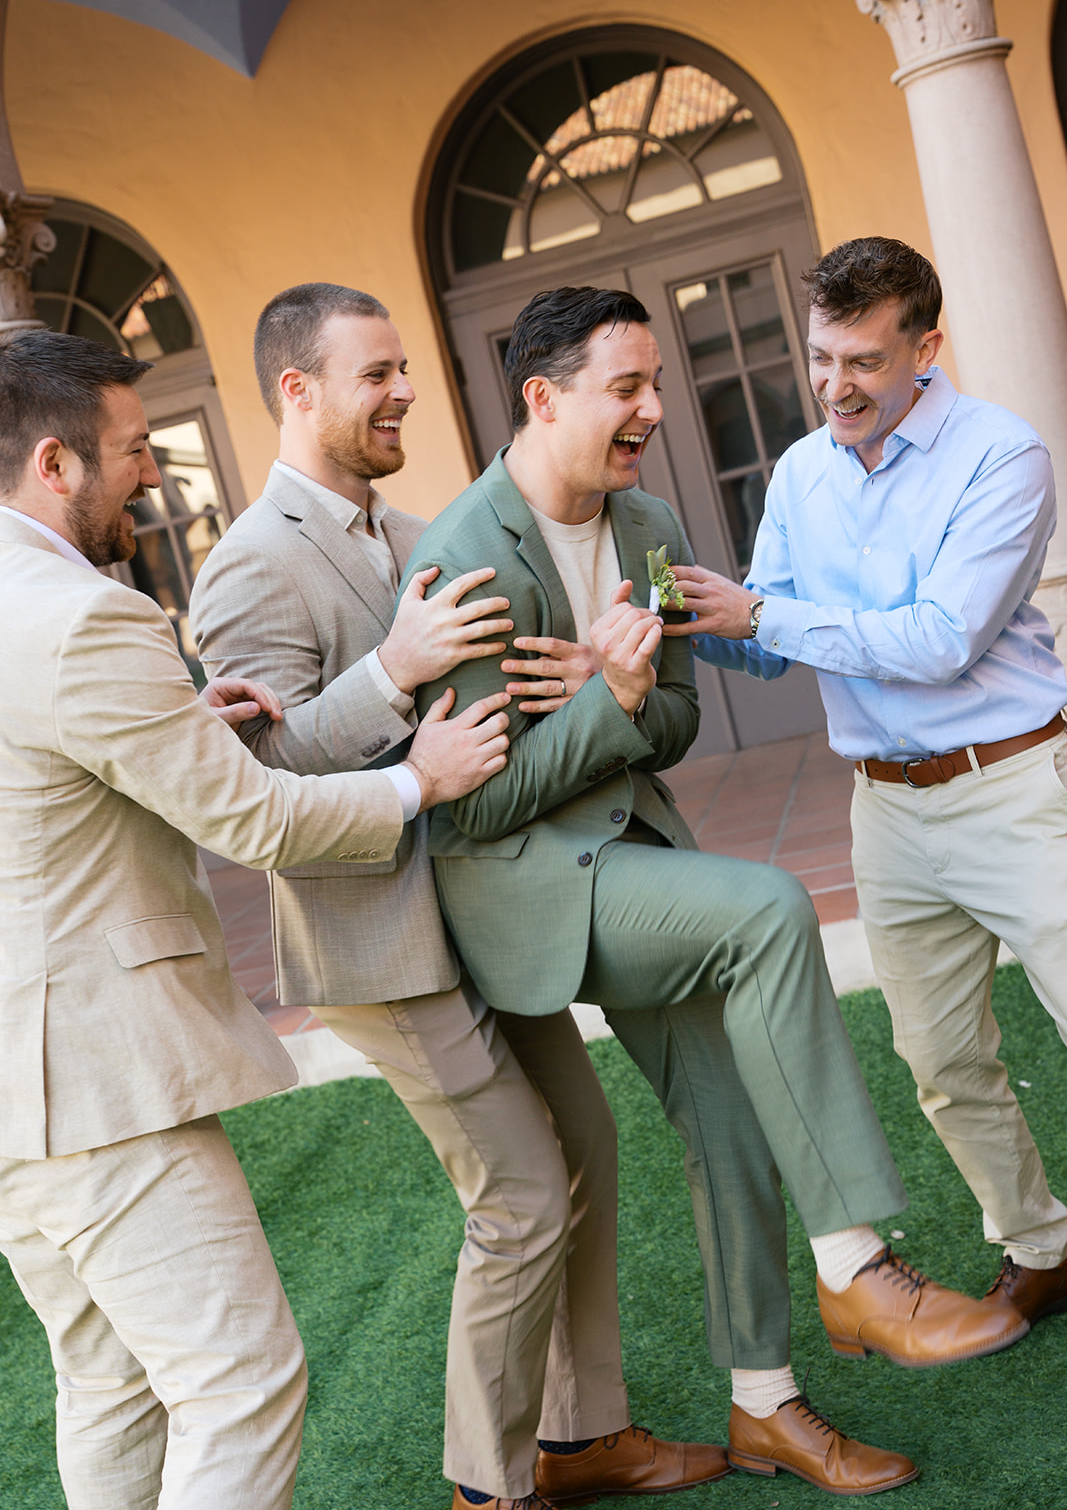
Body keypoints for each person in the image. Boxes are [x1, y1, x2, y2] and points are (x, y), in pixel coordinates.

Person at [404, 284, 1029, 1498]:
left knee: (733, 1127)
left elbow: (681, 712)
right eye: (623, 387)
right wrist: (610, 701)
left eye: (654, 382)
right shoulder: (463, 555)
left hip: (630, 860)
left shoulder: (645, 521)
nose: (652, 407)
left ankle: (764, 1408)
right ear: (542, 396)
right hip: (528, 885)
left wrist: (624, 691)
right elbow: (471, 804)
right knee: (762, 908)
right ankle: (853, 1262)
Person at [190, 282, 726, 1510]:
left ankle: (584, 1436)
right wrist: (392, 673)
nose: (403, 392)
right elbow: (252, 783)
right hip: (380, 938)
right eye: (375, 372)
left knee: (582, 1143)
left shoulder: (422, 525)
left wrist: (590, 673)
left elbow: (497, 720)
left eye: (401, 370)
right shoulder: (247, 563)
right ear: (298, 388)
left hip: (483, 907)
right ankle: (488, 1488)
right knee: (522, 1194)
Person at [0, 329, 512, 1510]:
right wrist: (415, 781)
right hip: (102, 1082)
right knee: (240, 1383)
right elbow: (260, 828)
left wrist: (185, 729)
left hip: (22, 1092)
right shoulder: (88, 618)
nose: (155, 474)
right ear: (55, 463)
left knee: (110, 1382)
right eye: (132, 450)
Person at [665, 235, 1067, 1334]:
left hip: (1017, 785)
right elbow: (767, 636)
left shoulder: (1002, 454)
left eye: (862, 362)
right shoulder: (799, 472)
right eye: (818, 356)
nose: (833, 385)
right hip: (882, 809)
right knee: (938, 1058)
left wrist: (764, 615)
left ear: (924, 347)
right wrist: (683, 621)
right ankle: (1040, 1244)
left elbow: (939, 639)